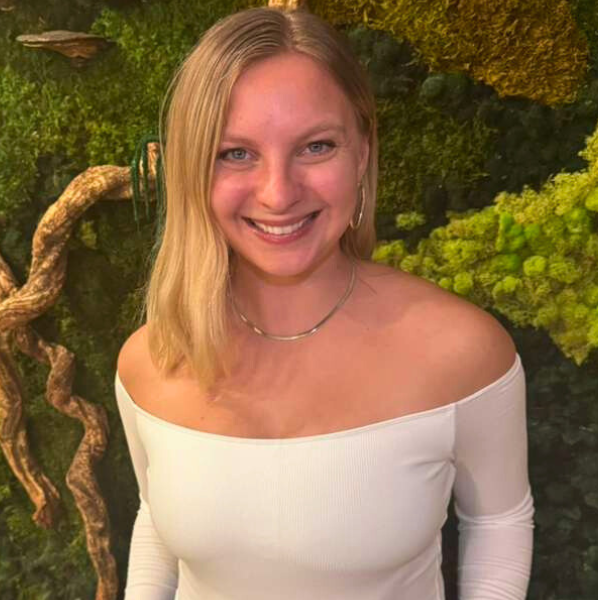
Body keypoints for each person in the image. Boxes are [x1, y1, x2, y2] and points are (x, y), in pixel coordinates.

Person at [114, 6, 535, 599]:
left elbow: (499, 521)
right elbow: (157, 525)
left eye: (315, 146)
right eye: (236, 153)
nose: (278, 193)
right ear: (190, 169)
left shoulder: (462, 351)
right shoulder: (151, 359)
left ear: (361, 151)